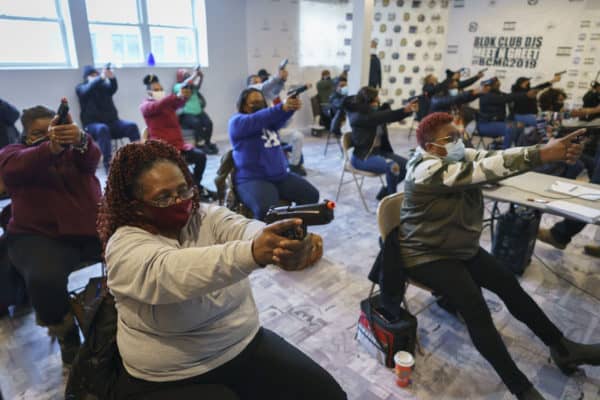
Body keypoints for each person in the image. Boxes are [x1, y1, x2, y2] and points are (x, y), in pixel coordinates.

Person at [98, 140, 345, 400]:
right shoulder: (124, 245)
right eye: (163, 197)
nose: (179, 201)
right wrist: (251, 253)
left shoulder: (204, 216)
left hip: (241, 344)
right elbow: (170, 272)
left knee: (328, 394)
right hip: (172, 374)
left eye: (184, 190)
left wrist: (279, 243)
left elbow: (244, 229)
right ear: (136, 206)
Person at [398, 112, 600, 400]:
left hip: (456, 247)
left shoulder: (453, 154)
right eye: (451, 138)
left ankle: (563, 348)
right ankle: (523, 390)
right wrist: (542, 154)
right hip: (425, 253)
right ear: (431, 147)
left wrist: (548, 151)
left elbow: (497, 156)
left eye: (459, 135)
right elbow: (487, 170)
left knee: (508, 284)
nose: (460, 142)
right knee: (477, 309)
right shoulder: (425, 169)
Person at [0, 105, 102, 365]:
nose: (49, 136)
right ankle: (65, 332)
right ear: (25, 135)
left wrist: (80, 139)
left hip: (89, 228)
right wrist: (51, 148)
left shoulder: (75, 150)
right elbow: (14, 169)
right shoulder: (13, 153)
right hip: (38, 234)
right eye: (39, 132)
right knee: (44, 278)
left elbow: (92, 158)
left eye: (53, 130)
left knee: (131, 248)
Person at [228, 88, 319, 220]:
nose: (258, 104)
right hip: (252, 179)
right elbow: (258, 119)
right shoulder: (237, 122)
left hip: (280, 176)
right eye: (254, 102)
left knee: (311, 196)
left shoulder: (268, 122)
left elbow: (277, 117)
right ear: (243, 106)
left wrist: (290, 108)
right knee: (269, 211)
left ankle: (297, 230)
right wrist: (282, 107)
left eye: (261, 101)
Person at [140, 74, 214, 202]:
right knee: (182, 167)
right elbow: (159, 105)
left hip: (180, 146)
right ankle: (195, 189)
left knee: (201, 156)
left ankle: (195, 187)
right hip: (163, 149)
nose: (160, 91)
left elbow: (179, 101)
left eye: (161, 89)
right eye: (156, 90)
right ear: (149, 92)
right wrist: (175, 96)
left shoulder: (167, 104)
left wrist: (184, 95)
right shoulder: (145, 106)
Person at [343, 86, 418, 200]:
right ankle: (392, 201)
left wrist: (405, 111)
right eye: (376, 97)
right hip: (363, 157)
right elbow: (385, 116)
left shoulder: (371, 112)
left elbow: (384, 116)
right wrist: (405, 110)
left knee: (407, 166)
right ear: (369, 101)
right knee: (393, 167)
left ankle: (386, 191)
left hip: (378, 152)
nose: (379, 99)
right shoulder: (359, 116)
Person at [76, 65, 141, 171]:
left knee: (132, 126)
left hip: (113, 123)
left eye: (96, 74)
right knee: (102, 128)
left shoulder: (104, 87)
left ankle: (138, 156)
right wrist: (100, 77)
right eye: (92, 75)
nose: (95, 76)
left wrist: (112, 77)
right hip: (92, 125)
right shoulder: (81, 88)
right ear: (86, 77)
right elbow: (87, 89)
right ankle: (109, 164)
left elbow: (113, 88)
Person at [247, 69, 306, 176]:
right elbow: (266, 87)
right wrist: (278, 77)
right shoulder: (248, 97)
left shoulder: (267, 96)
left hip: (273, 129)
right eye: (255, 83)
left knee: (298, 136)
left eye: (259, 82)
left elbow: (275, 90)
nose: (258, 85)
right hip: (258, 134)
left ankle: (294, 166)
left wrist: (282, 81)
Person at [478, 77, 537, 149]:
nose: (498, 85)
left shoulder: (498, 94)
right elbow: (506, 98)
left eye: (498, 83)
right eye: (496, 84)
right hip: (486, 124)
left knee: (520, 126)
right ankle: (504, 152)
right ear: (488, 87)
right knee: (511, 128)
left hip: (499, 122)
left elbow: (509, 96)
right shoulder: (486, 96)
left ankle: (518, 149)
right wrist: (526, 95)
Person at [173, 67, 218, 155]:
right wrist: (195, 74)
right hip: (186, 114)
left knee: (209, 123)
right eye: (185, 74)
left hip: (199, 112)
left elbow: (197, 85)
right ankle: (200, 145)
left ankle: (207, 142)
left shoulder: (192, 87)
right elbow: (186, 84)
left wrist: (200, 77)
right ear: (180, 77)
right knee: (197, 124)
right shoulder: (177, 86)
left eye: (188, 74)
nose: (188, 75)